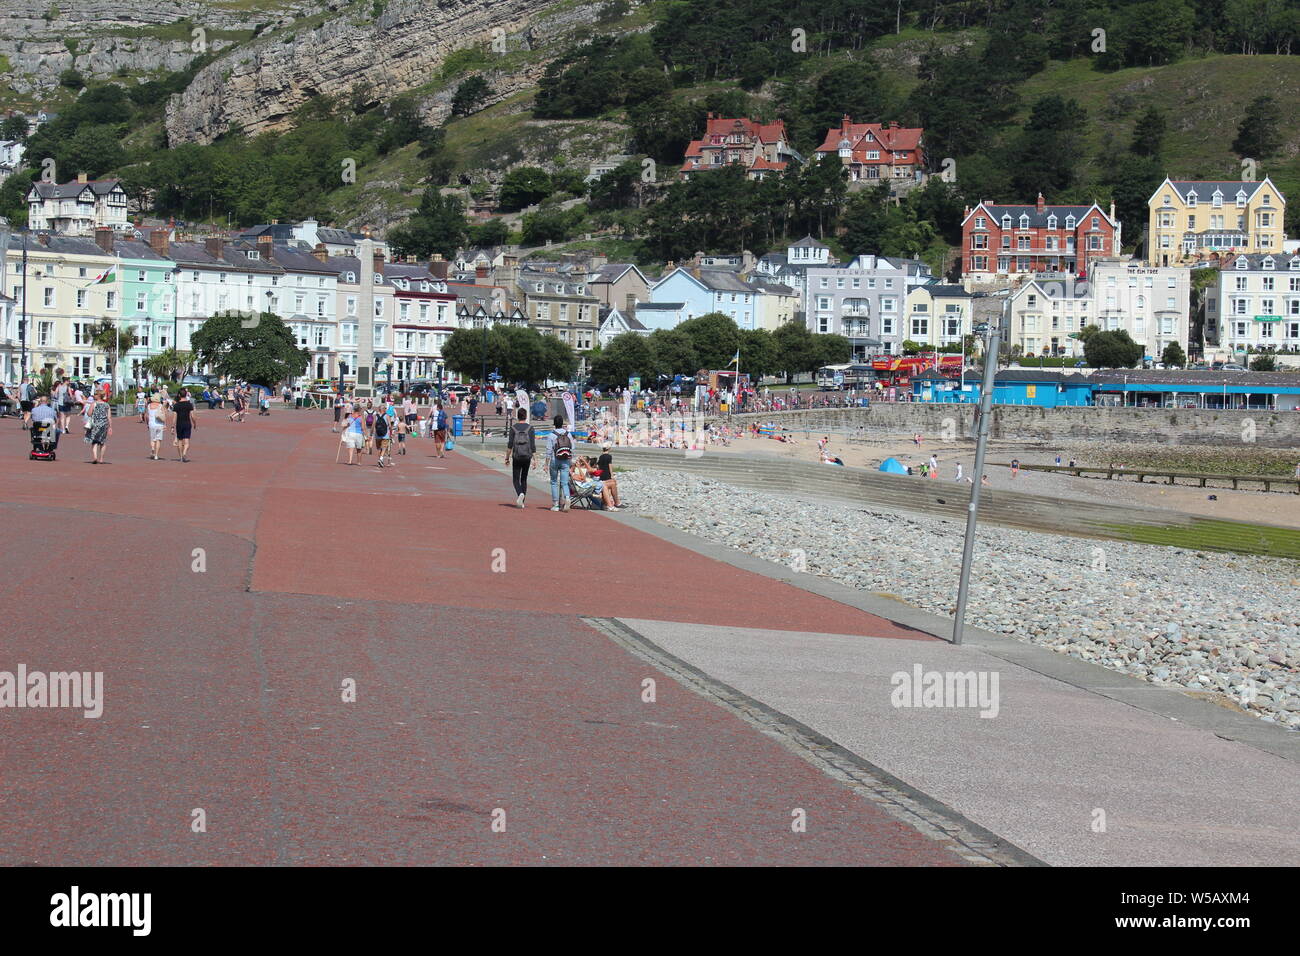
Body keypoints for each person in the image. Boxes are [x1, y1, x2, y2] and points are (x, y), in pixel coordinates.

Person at [504, 407, 536, 508]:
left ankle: (520, 494)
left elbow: (510, 445)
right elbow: (532, 445)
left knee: (515, 479)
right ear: (526, 417)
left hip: (517, 456)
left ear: (517, 416)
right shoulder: (530, 428)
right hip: (527, 456)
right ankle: (522, 502)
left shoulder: (513, 428)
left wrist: (507, 458)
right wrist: (535, 459)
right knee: (524, 479)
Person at [546, 413, 573, 512]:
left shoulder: (551, 435)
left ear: (554, 424)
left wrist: (546, 464)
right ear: (562, 424)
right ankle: (567, 498)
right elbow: (572, 447)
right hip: (565, 460)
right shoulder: (568, 434)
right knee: (564, 483)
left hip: (554, 460)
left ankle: (556, 504)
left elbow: (548, 451)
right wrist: (570, 460)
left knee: (554, 482)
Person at [170, 390, 197, 462]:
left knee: (180, 441)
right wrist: (194, 423)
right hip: (187, 423)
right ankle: (184, 453)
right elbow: (192, 415)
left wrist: (172, 426)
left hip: (179, 424)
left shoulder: (176, 405)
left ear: (179, 395)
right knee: (187, 441)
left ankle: (181, 457)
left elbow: (174, 417)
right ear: (186, 395)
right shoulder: (189, 404)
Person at [85, 393, 112, 463]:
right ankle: (101, 459)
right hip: (104, 425)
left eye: (95, 394)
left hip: (95, 425)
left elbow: (89, 414)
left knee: (94, 441)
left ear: (98, 396)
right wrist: (110, 427)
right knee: (102, 441)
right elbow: (109, 417)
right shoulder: (107, 405)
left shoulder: (94, 404)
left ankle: (95, 457)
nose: (94, 396)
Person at [594, 443, 621, 508]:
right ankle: (611, 502)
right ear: (609, 448)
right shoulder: (609, 456)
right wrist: (612, 475)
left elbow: (598, 466)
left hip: (602, 473)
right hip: (607, 473)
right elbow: (610, 466)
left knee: (605, 488)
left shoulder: (601, 456)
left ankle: (605, 502)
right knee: (609, 487)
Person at [146, 392, 166, 460]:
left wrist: (147, 423)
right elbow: (163, 415)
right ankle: (156, 455)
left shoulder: (149, 406)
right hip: (159, 424)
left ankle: (152, 448)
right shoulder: (160, 405)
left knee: (152, 439)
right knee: (158, 440)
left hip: (151, 424)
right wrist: (164, 424)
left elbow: (147, 416)